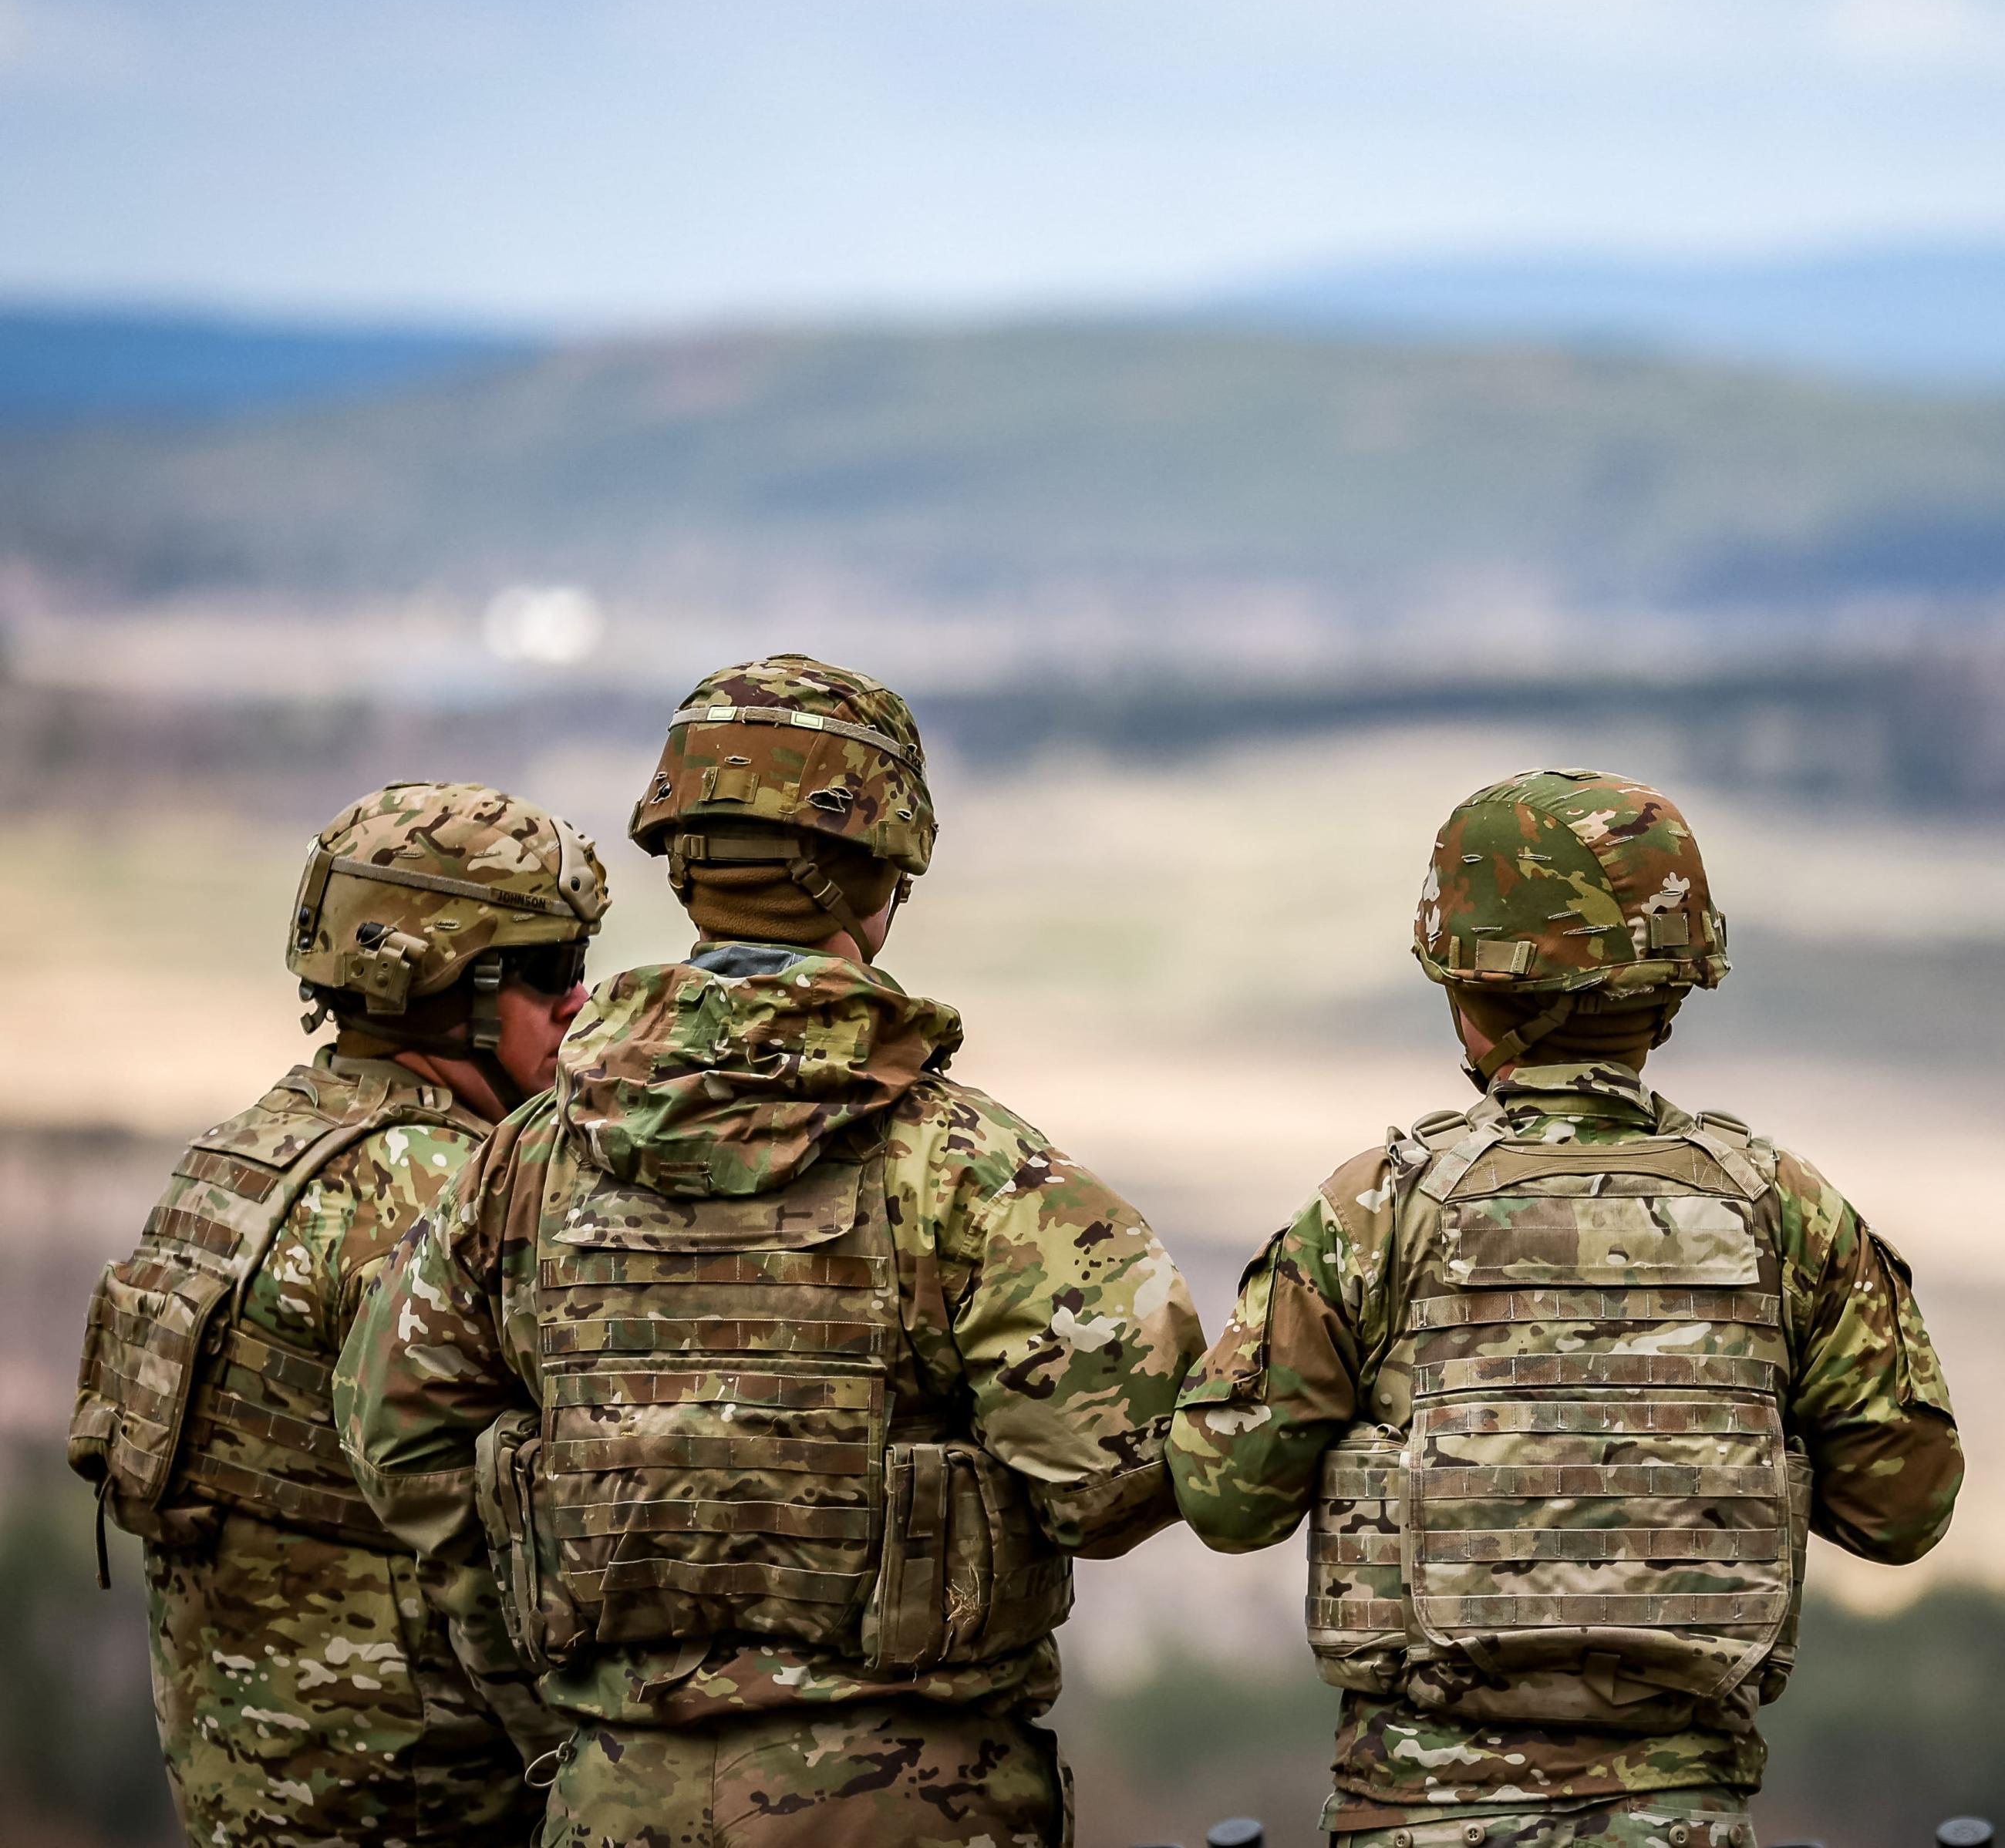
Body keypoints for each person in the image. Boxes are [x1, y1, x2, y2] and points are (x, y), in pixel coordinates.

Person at [335, 654, 1204, 1848]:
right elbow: (1127, 1479)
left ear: (682, 860)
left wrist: (546, 1676)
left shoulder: (520, 1163)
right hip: (917, 1807)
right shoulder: (978, 1171)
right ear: (885, 875)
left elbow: (395, 1432)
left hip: (614, 1798)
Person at [1170, 768, 1963, 1848]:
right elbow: (1903, 1508)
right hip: (1686, 1818)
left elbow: (1226, 1498)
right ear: (1676, 987)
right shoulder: (1790, 1213)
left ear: (1462, 979)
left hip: (1418, 1817)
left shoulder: (1378, 1209)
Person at [70, 779, 608, 1846]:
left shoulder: (233, 1156)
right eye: (549, 973)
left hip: (247, 1781)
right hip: (417, 1795)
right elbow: (518, 1559)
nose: (578, 1004)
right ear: (448, 985)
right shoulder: (456, 1195)